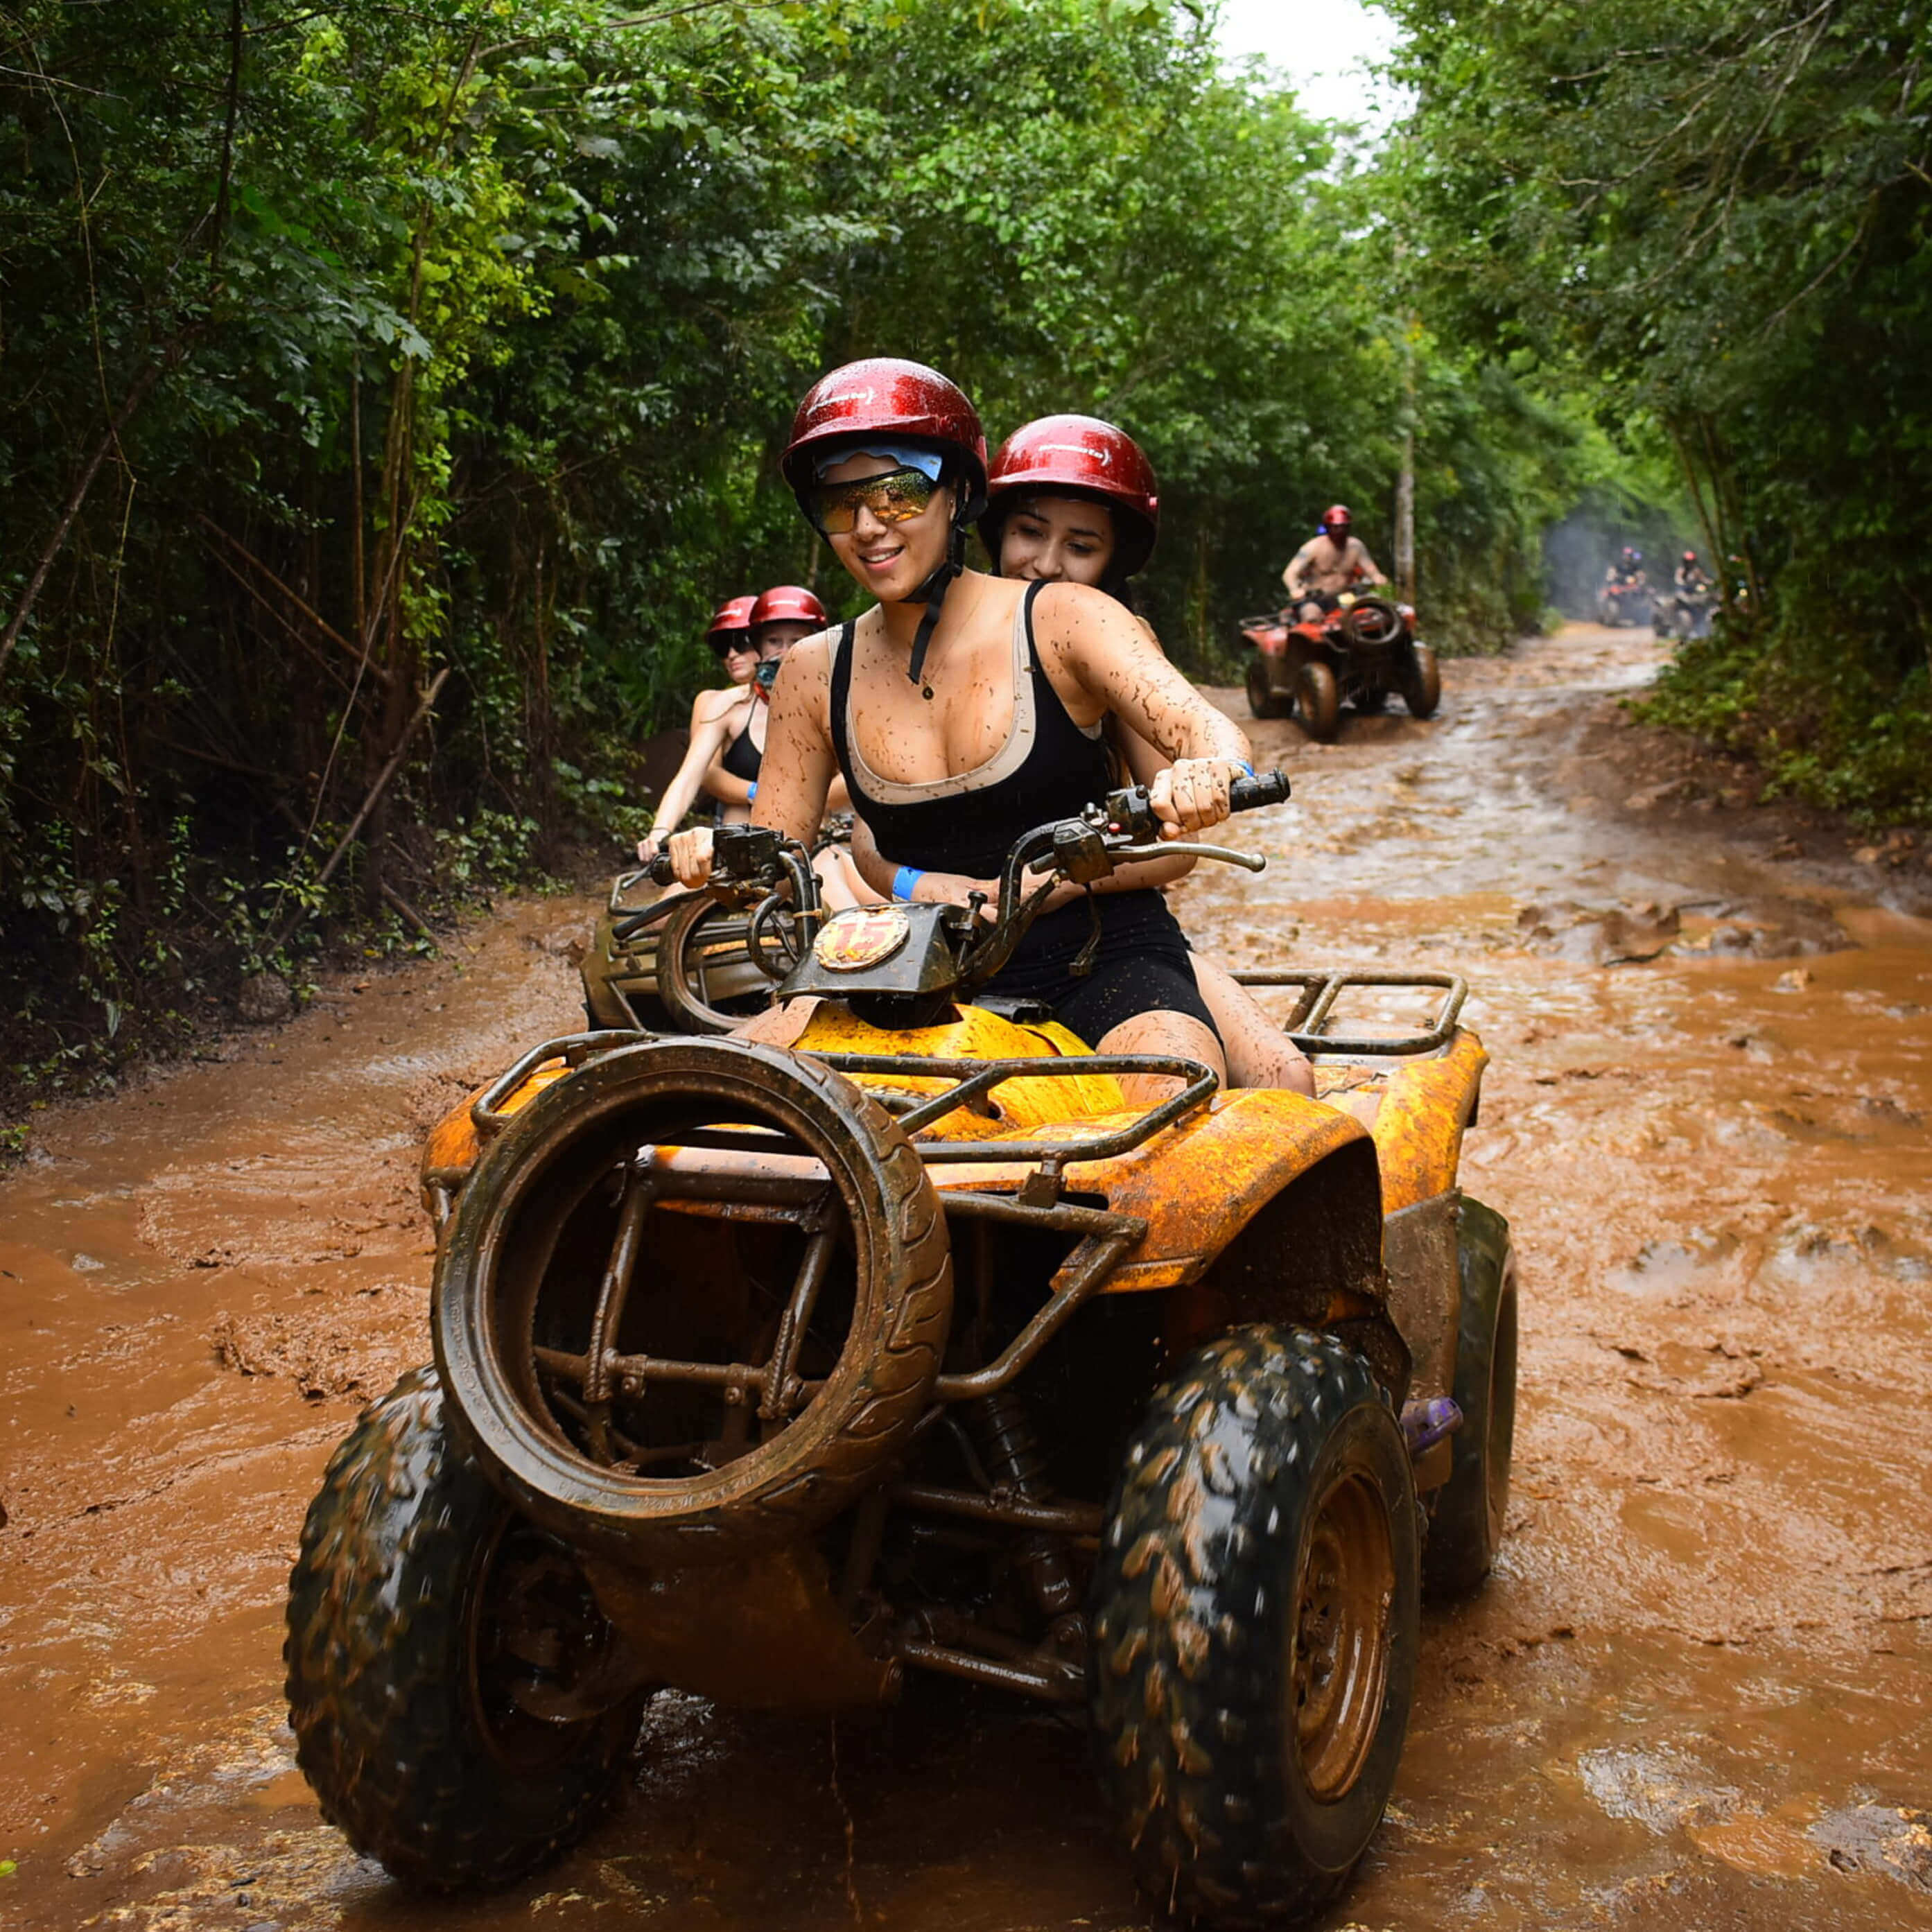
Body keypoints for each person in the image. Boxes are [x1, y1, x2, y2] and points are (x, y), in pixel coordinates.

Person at [667, 358, 1255, 1097]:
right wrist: (715, 860)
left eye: (899, 492)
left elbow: (1210, 733)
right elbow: (773, 868)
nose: (870, 526)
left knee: (1171, 1093)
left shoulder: (1071, 617)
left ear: (960, 494)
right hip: (904, 970)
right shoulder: (813, 671)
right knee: (702, 1099)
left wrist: (1208, 773)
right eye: (840, 503)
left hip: (1102, 959)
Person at [928, 411, 1312, 1094]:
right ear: (994, 531)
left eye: (1080, 545)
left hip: (1105, 933)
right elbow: (869, 813)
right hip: (957, 936)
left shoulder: (1120, 647)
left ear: (1113, 560)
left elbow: (1176, 845)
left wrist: (1055, 884)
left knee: (1285, 1079)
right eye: (1029, 532)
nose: (1046, 563)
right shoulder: (923, 635)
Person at [636, 595, 758, 861]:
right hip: (739, 827)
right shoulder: (715, 703)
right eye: (722, 647)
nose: (731, 655)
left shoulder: (811, 695)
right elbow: (697, 774)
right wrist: (660, 832)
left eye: (741, 643)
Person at [1282, 505, 1384, 622]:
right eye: (1335, 527)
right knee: (1311, 616)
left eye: (1343, 527)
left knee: (1376, 610)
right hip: (1315, 599)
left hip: (1345, 598)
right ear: (1328, 527)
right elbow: (1290, 573)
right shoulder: (1313, 546)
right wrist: (1294, 590)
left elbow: (1372, 571)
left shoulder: (1356, 546)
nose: (1340, 531)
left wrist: (1378, 578)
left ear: (1349, 527)